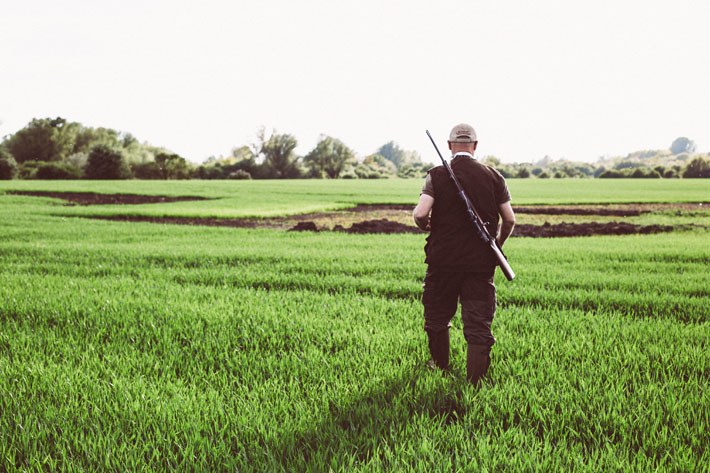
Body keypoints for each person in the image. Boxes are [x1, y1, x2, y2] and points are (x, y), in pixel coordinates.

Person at [413, 123, 515, 386]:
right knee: (478, 323)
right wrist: (496, 246)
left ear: (449, 146)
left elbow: (421, 214)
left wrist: (425, 225)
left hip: (442, 262)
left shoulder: (436, 175)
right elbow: (510, 219)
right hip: (479, 265)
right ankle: (475, 382)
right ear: (476, 146)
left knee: (437, 316)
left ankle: (439, 366)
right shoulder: (495, 176)